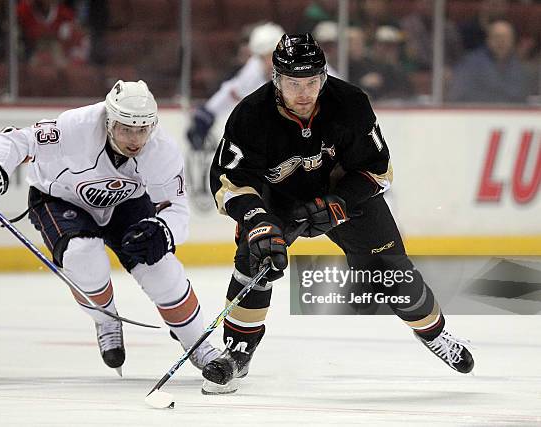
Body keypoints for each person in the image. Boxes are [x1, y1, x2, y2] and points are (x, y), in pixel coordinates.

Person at [202, 33, 474, 394]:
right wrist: (257, 220)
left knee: (394, 276)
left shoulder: (350, 103)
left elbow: (378, 169)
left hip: (343, 197)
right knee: (256, 258)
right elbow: (230, 180)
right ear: (277, 79)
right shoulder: (250, 116)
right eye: (293, 83)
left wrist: (339, 202)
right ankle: (238, 351)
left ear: (323, 77)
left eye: (311, 81)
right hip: (277, 203)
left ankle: (435, 333)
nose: (303, 92)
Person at [0, 80, 220, 375]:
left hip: (125, 202)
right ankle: (106, 320)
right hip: (60, 197)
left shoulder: (162, 150)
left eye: (142, 129)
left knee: (159, 265)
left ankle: (200, 345)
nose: (135, 139)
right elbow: (16, 140)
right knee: (82, 254)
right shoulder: (75, 126)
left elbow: (177, 209)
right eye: (126, 128)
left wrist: (163, 231)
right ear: (108, 120)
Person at [186, 21, 285, 152]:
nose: (267, 62)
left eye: (272, 55)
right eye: (263, 57)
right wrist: (207, 113)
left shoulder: (295, 68)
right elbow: (231, 92)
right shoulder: (253, 70)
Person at [448, 20, 534, 104]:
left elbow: (525, 97)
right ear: (488, 40)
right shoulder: (469, 64)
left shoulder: (522, 68)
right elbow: (459, 95)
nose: (501, 41)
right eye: (497, 37)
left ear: (512, 41)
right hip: (480, 114)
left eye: (506, 37)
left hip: (514, 116)